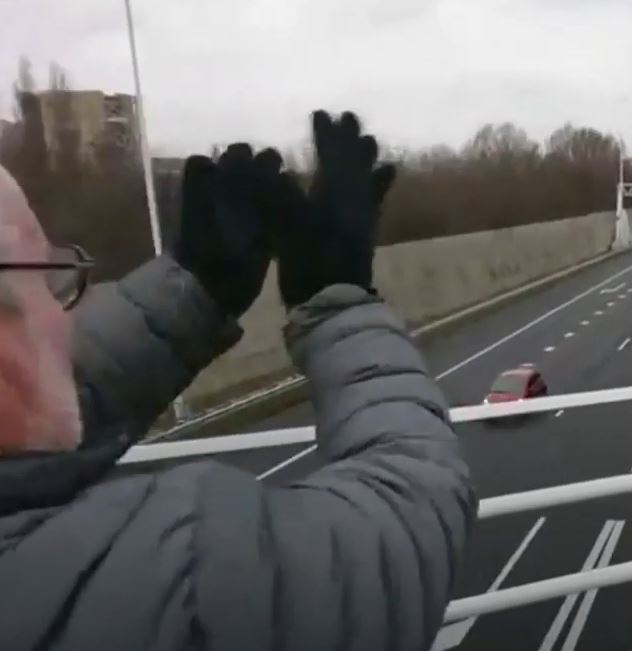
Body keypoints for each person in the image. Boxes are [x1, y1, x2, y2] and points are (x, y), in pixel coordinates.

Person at [0, 110, 476, 651]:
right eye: (46, 276)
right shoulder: (185, 590)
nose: (64, 313)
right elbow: (410, 499)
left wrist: (195, 289)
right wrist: (338, 300)